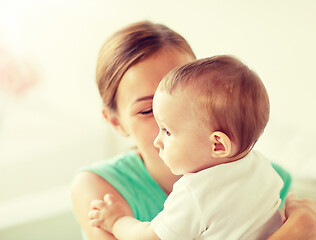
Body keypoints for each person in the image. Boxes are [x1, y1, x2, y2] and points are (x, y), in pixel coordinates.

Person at [71, 21, 316, 240]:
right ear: (115, 122)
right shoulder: (97, 189)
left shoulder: (272, 177)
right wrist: (296, 231)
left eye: (186, 105)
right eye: (147, 111)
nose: (166, 123)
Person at [88, 55, 284, 239]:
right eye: (147, 112)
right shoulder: (260, 165)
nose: (158, 141)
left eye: (168, 131)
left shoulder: (195, 193)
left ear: (217, 145)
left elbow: (148, 237)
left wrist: (116, 221)